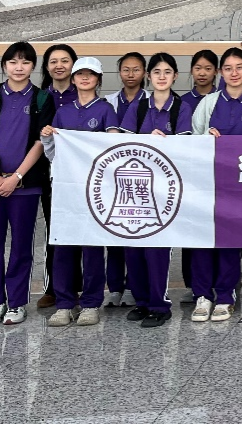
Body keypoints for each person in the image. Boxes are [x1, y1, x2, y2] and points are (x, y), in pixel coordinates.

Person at [0, 41, 54, 326]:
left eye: (25, 62)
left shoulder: (42, 99)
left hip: (25, 186)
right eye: (13, 62)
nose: (19, 67)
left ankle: (16, 303)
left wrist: (16, 177)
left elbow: (41, 141)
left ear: (33, 67)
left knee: (21, 246)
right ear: (4, 65)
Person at [189, 47, 242, 322]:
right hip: (207, 182)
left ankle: (225, 296)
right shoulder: (209, 102)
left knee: (229, 242)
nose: (234, 73)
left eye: (239, 67)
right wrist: (206, 138)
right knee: (203, 240)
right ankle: (202, 295)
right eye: (228, 68)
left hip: (237, 185)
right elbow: (194, 137)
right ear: (220, 72)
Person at [41, 56, 118, 328]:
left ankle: (91, 303)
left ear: (98, 79)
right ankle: (64, 303)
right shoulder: (63, 112)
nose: (85, 78)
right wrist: (47, 137)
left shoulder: (106, 109)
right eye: (80, 74)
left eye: (91, 74)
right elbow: (53, 153)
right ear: (73, 79)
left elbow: (112, 148)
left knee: (92, 246)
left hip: (95, 189)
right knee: (63, 245)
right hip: (66, 188)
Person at [120, 52, 189, 328]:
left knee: (157, 250)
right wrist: (145, 140)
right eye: (157, 72)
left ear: (175, 76)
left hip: (164, 191)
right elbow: (122, 146)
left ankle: (160, 305)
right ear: (149, 76)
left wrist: (164, 142)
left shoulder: (181, 108)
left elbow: (184, 148)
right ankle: (142, 301)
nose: (162, 77)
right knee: (133, 247)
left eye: (167, 72)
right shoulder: (137, 107)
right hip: (135, 188)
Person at [37, 43, 78, 309]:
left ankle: (79, 286)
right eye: (53, 61)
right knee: (55, 229)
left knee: (82, 229)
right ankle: (53, 288)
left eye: (65, 60)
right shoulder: (40, 98)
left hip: (81, 174)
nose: (59, 66)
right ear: (47, 67)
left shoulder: (84, 95)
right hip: (49, 172)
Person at [105, 51, 147, 307]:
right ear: (119, 72)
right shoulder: (108, 102)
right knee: (114, 232)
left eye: (136, 69)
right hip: (112, 177)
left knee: (138, 232)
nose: (131, 74)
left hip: (143, 177)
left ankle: (134, 285)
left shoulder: (152, 100)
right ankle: (115, 287)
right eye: (126, 69)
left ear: (144, 73)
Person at [178, 49, 219, 302]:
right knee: (191, 230)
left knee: (219, 228)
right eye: (198, 68)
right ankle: (193, 284)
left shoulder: (223, 98)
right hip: (190, 175)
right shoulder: (182, 102)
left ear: (216, 71)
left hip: (219, 174)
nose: (202, 73)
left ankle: (221, 282)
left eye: (208, 68)